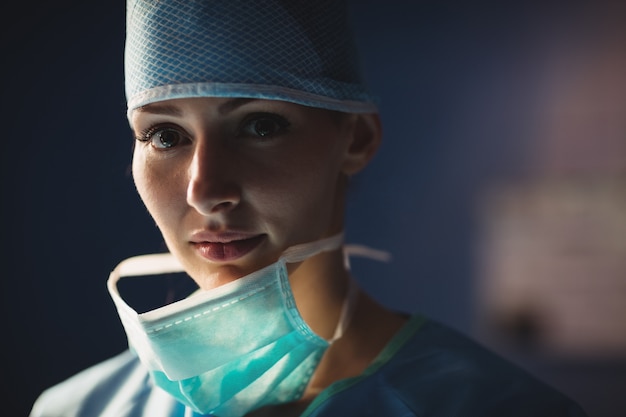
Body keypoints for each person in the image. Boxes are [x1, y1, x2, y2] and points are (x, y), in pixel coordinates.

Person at [30, 1, 589, 416]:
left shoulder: (498, 407)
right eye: (164, 135)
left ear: (356, 140)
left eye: (259, 125)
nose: (204, 190)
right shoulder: (75, 408)